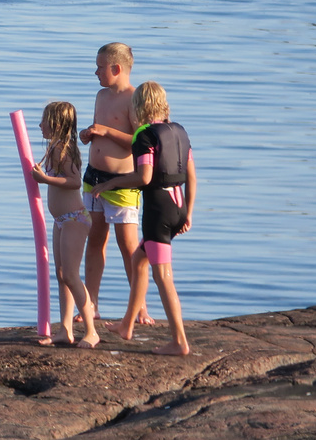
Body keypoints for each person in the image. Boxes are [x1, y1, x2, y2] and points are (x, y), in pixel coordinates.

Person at [92, 81, 196, 355]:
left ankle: (179, 342)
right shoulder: (180, 131)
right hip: (178, 206)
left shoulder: (145, 136)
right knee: (139, 260)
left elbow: (145, 177)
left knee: (163, 276)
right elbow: (192, 176)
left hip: (158, 211)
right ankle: (127, 325)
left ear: (138, 106)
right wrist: (189, 213)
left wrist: (111, 184)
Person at [78, 42, 151, 326]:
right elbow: (100, 128)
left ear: (116, 68)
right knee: (95, 240)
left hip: (122, 182)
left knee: (128, 244)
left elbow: (140, 142)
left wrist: (106, 131)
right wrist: (90, 134)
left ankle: (140, 306)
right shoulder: (100, 96)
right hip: (93, 176)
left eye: (99, 67)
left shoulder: (134, 99)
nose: (95, 72)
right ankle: (91, 303)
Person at [32, 101, 97, 348]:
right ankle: (65, 330)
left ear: (56, 124)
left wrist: (45, 178)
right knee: (61, 276)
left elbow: (73, 182)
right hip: (61, 221)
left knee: (70, 274)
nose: (39, 125)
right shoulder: (52, 148)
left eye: (44, 121)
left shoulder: (64, 149)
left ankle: (91, 330)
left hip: (75, 219)